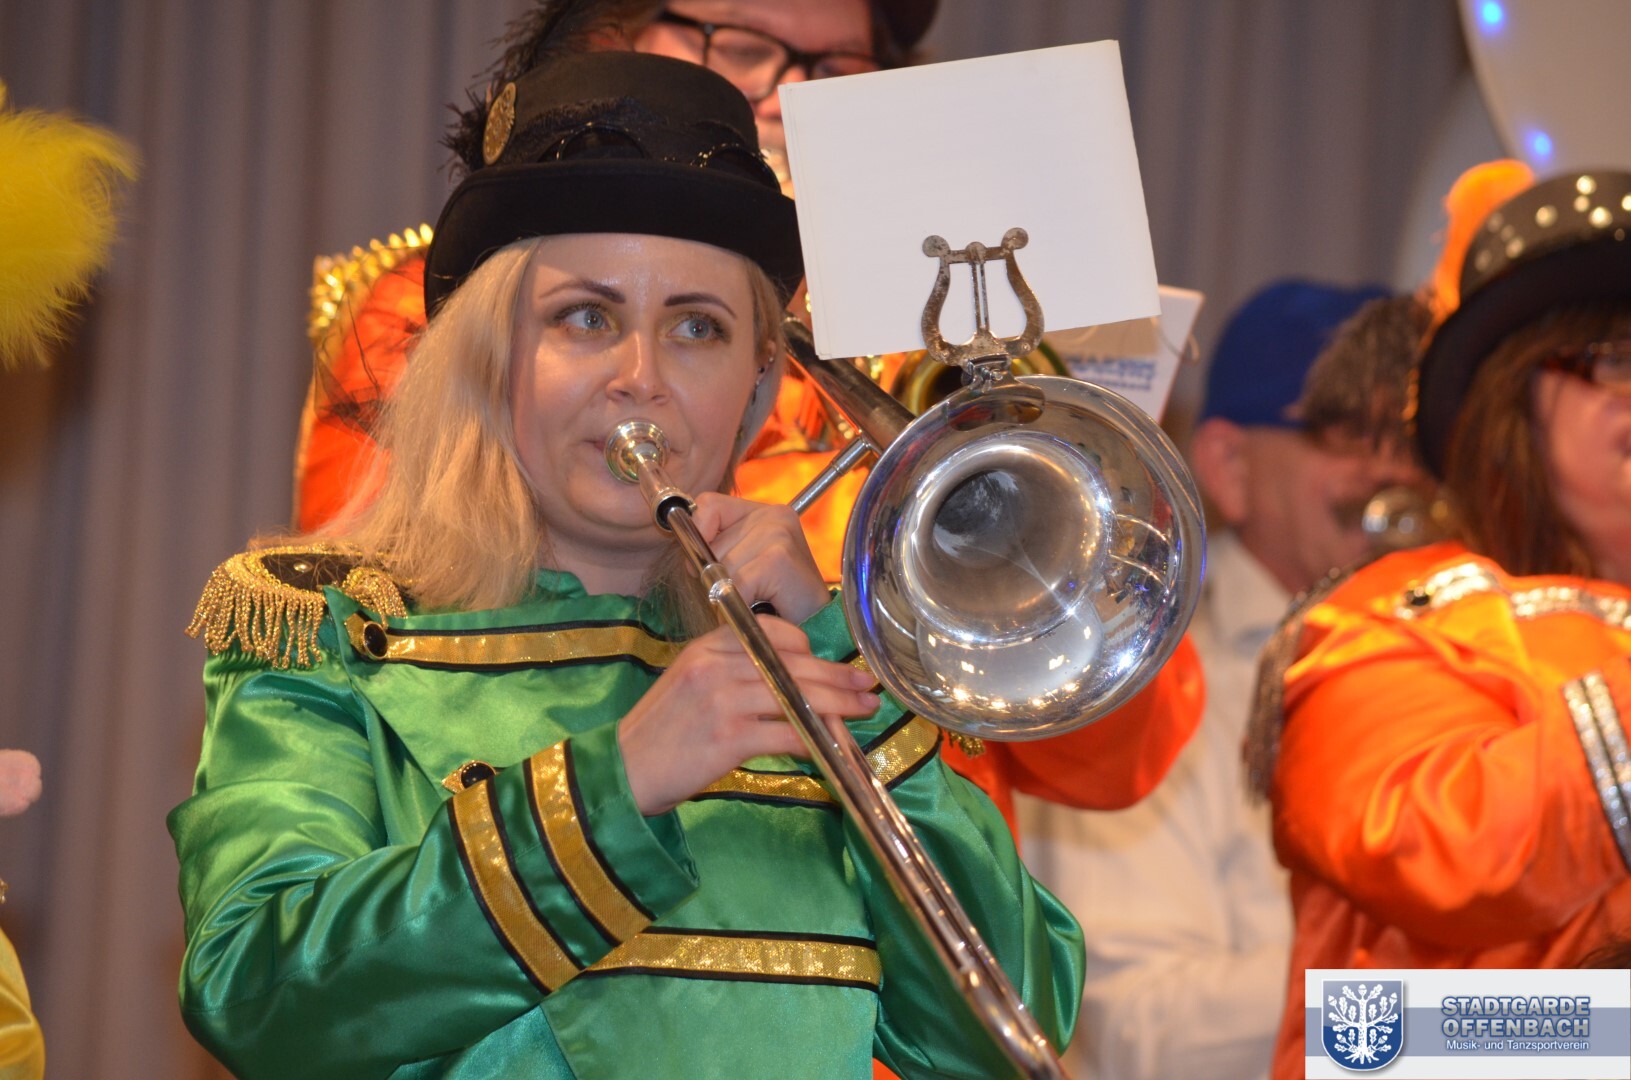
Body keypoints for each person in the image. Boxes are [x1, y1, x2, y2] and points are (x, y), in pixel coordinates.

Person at [171, 48, 1085, 1079]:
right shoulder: (330, 631)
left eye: (697, 327)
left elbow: (1001, 1038)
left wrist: (842, 667)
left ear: (752, 384)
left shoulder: (830, 661)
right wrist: (611, 788)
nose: (639, 378)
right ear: (491, 360)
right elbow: (257, 997)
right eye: (586, 318)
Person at [296, 0, 1204, 837]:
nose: (785, 97)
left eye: (833, 68)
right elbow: (412, 594)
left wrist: (1000, 548)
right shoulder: (460, 302)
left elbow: (1113, 759)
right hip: (544, 811)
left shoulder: (947, 337)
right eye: (740, 44)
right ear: (617, 35)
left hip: (899, 863)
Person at [1249, 164, 1631, 1080]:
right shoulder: (1384, 619)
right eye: (1614, 357)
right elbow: (1381, 1031)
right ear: (1508, 394)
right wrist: (1608, 1036)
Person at [1017, 281, 1429, 1080]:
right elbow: (1141, 1034)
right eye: (1349, 432)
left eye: (1411, 438)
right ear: (1228, 467)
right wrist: (1477, 1015)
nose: (1394, 472)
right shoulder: (1146, 691)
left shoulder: (1483, 658)